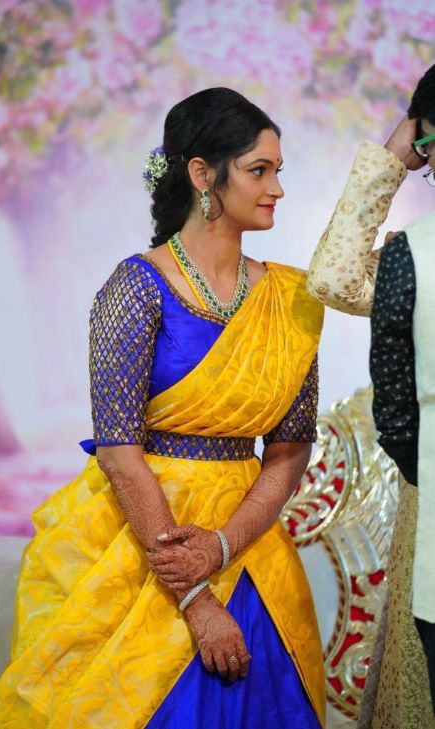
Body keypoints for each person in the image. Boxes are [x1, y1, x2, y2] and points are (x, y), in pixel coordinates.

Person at [0, 88, 326, 728]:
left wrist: (222, 546)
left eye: (279, 170)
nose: (277, 188)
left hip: (248, 549)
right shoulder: (135, 289)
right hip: (141, 543)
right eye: (259, 170)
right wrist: (195, 597)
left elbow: (289, 450)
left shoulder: (290, 301)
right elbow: (118, 452)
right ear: (202, 174)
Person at [307, 66, 435, 728]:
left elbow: (335, 277)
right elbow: (337, 279)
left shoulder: (419, 256)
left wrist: (396, 154)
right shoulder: (418, 258)